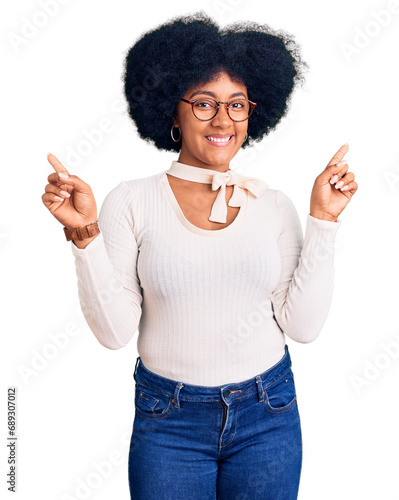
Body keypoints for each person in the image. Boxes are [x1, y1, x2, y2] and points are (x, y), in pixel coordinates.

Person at [42, 11, 357, 500]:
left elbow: (304, 327)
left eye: (237, 105)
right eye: (205, 104)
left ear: (254, 113)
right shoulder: (132, 200)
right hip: (169, 421)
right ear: (173, 111)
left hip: (267, 415)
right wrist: (84, 235)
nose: (223, 120)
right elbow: (114, 333)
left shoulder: (273, 205)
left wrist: (325, 220)